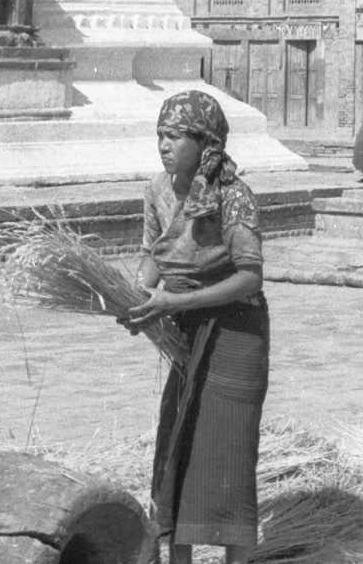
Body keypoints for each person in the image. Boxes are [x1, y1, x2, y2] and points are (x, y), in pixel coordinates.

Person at [124, 92, 266, 564]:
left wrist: (176, 301)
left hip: (236, 329)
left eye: (174, 136)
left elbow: (250, 276)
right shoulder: (157, 190)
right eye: (160, 135)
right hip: (185, 326)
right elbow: (152, 254)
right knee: (178, 443)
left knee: (230, 455)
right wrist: (137, 298)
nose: (163, 145)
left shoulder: (232, 194)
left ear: (205, 142)